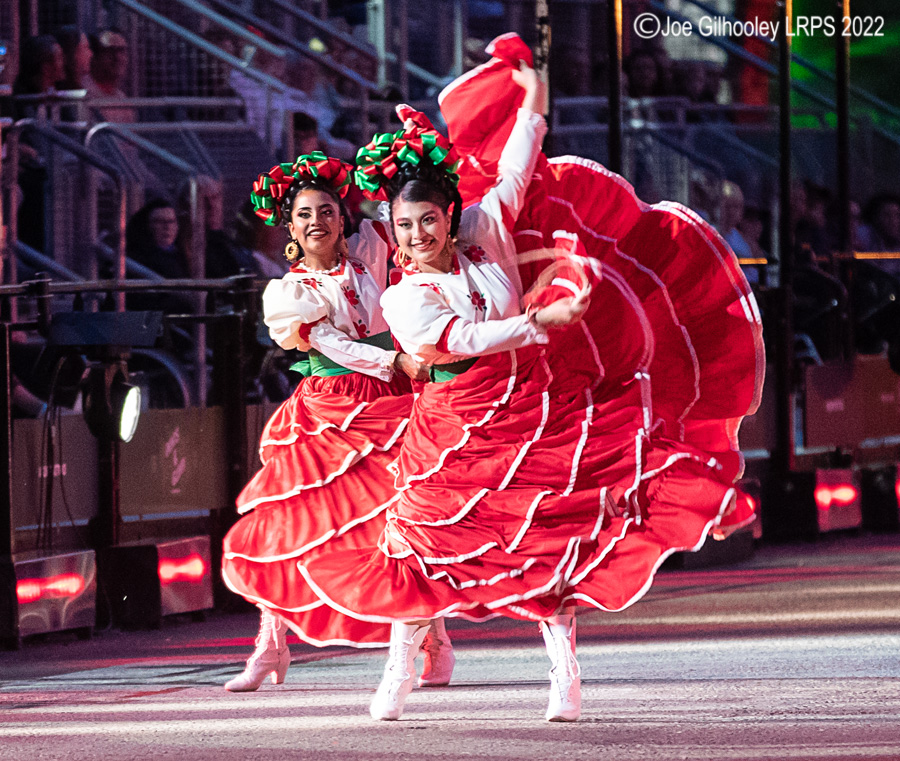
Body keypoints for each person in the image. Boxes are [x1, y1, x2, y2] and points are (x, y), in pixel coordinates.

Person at [295, 34, 763, 723]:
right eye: (402, 226)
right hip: (452, 424)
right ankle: (397, 673)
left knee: (549, 544)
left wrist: (532, 85)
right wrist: (540, 323)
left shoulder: (487, 228)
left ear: (450, 215)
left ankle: (565, 675)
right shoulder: (403, 295)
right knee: (419, 545)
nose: (415, 236)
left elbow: (520, 152)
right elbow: (466, 340)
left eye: (427, 221)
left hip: (531, 412)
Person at [220, 153, 456, 692]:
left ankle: (434, 640)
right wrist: (395, 361)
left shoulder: (374, 246)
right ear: (292, 227)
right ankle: (269, 645)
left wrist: (405, 156)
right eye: (304, 215)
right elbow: (332, 345)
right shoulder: (289, 292)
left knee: (407, 523)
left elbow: (403, 210)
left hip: (394, 401)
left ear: (342, 215)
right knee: (291, 524)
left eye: (326, 210)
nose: (316, 222)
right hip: (330, 406)